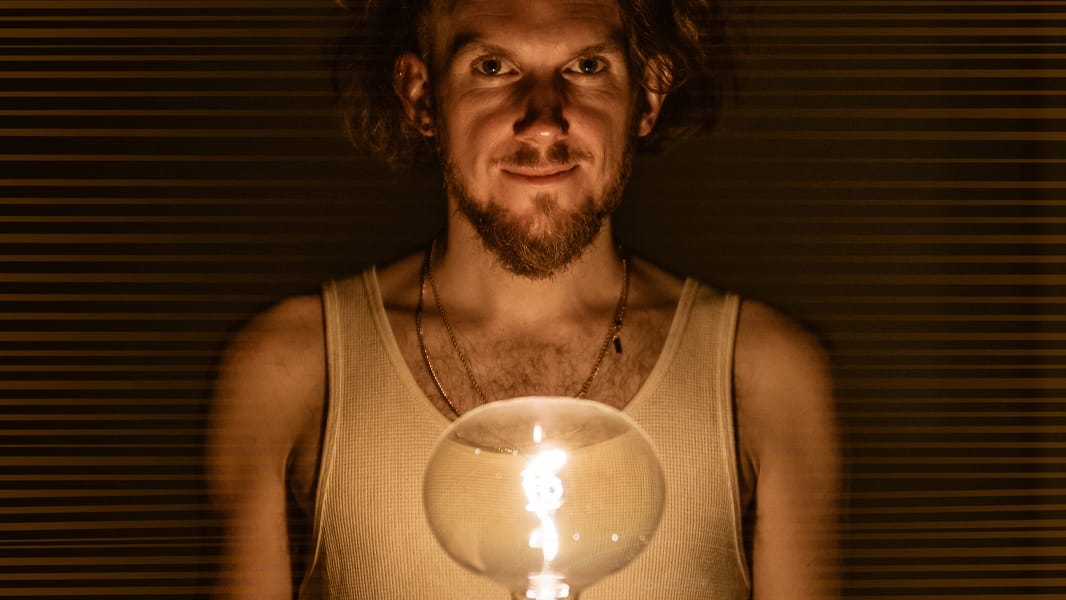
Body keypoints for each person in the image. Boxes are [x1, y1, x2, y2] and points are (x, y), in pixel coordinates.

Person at [207, 0, 840, 598]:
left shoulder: (763, 373)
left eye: (587, 67)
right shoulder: (290, 369)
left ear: (647, 94)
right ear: (421, 96)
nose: (543, 119)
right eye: (492, 67)